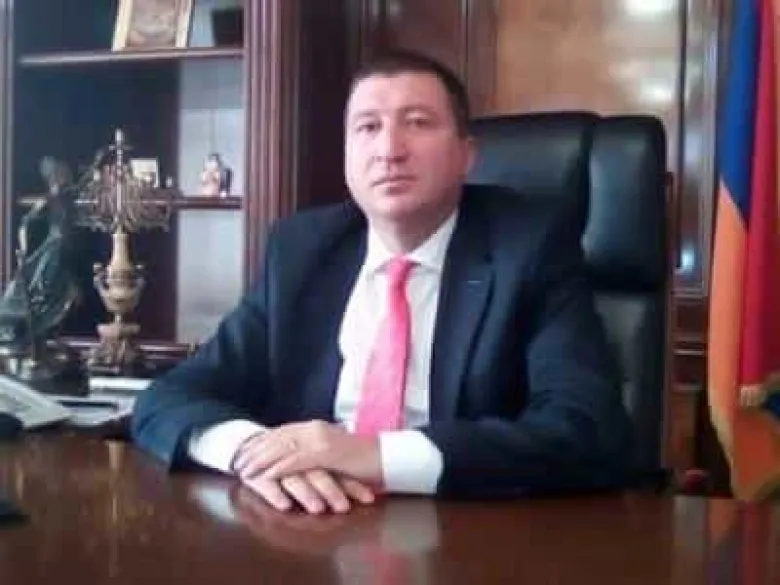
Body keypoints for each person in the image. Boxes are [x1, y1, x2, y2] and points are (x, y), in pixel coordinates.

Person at [132, 50, 632, 514]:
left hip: (469, 529)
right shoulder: (303, 251)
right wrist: (253, 452)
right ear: (347, 154)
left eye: (417, 123)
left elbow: (586, 430)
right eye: (368, 127)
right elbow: (168, 397)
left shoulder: (529, 247)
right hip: (310, 522)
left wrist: (376, 455)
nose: (389, 150)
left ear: (466, 154)